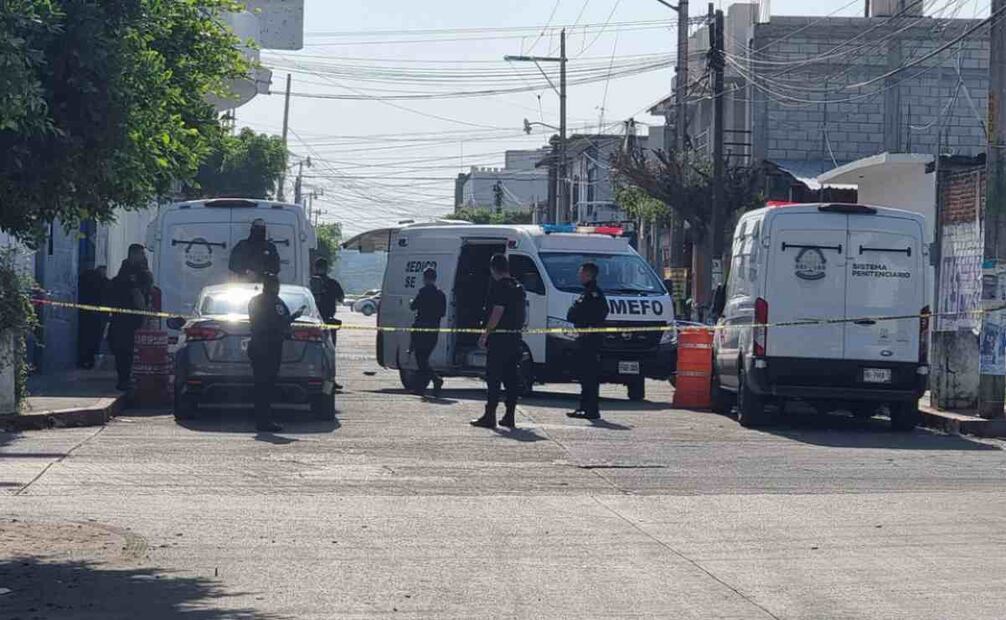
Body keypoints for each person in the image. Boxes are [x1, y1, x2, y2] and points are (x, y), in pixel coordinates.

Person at [471, 254, 526, 430]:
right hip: (515, 338)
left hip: (499, 340)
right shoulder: (518, 287)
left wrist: (485, 334)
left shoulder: (499, 287)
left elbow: (497, 312)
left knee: (493, 377)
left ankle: (490, 416)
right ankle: (509, 415)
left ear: (493, 268)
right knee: (511, 379)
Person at [248, 274, 304, 433]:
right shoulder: (275, 302)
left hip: (256, 345)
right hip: (270, 346)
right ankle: (264, 421)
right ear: (273, 286)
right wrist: (295, 315)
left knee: (259, 385)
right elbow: (280, 320)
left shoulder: (254, 300)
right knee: (267, 385)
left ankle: (261, 419)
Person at [566, 262, 609, 420]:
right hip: (585, 339)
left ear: (588, 275)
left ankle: (590, 410)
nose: (579, 276)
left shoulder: (593, 293)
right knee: (584, 376)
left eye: (581, 273)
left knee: (589, 376)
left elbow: (600, 312)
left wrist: (589, 326)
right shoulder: (588, 292)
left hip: (590, 340)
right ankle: (584, 408)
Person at [107, 245, 153, 391]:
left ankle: (127, 379)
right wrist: (145, 312)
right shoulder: (128, 271)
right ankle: (125, 380)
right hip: (125, 318)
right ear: (133, 254)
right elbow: (136, 294)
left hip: (129, 318)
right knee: (123, 350)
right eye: (141, 253)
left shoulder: (140, 271)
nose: (143, 256)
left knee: (127, 350)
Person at [409, 267, 447, 398]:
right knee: (424, 359)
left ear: (425, 278)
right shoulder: (441, 294)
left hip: (421, 330)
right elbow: (442, 313)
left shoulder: (423, 292)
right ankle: (421, 388)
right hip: (433, 330)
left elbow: (413, 306)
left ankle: (435, 380)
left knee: (421, 359)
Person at [310, 257, 345, 390]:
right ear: (326, 268)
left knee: (312, 351)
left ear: (315, 267)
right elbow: (341, 298)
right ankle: (330, 381)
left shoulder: (309, 283)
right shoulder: (332, 283)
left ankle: (313, 377)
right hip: (329, 321)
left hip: (312, 322)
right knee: (330, 352)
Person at [77, 266, 110, 369]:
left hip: (88, 314)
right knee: (94, 339)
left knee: (86, 338)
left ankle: (85, 360)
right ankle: (90, 360)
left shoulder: (86, 281)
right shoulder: (103, 283)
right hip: (98, 314)